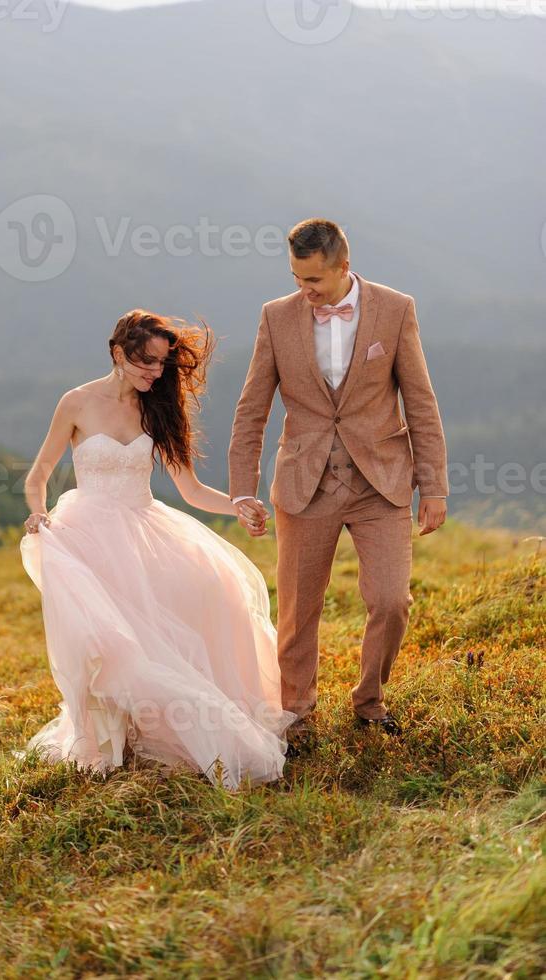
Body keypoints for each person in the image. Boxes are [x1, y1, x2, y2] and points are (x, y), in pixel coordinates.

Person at [16, 309, 298, 790]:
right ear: (117, 354)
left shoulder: (158, 409)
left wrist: (240, 504)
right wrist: (38, 511)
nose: (155, 373)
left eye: (162, 364)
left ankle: (164, 724)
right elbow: (38, 474)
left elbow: (189, 490)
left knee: (210, 594)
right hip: (87, 533)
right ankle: (95, 736)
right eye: (146, 362)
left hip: (146, 531)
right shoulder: (77, 403)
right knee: (100, 639)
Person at [228, 218, 448, 738]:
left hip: (382, 483)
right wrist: (242, 488)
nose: (304, 292)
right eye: (297, 279)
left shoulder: (396, 309)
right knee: (300, 610)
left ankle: (370, 701)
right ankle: (296, 715)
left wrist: (433, 485)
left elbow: (420, 400)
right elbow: (251, 408)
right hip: (305, 485)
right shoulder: (276, 317)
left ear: (343, 268)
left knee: (392, 601)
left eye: (314, 282)